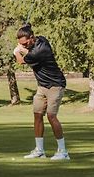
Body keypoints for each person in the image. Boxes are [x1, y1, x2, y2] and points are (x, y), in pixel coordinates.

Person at [13, 25, 70, 160]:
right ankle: (39, 150)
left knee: (51, 116)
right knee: (37, 115)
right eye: (22, 44)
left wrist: (17, 51)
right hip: (42, 86)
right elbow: (29, 51)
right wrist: (23, 46)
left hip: (55, 85)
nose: (25, 46)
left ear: (32, 38)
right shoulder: (41, 39)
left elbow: (20, 61)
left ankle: (63, 152)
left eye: (26, 43)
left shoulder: (41, 50)